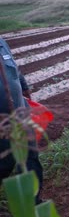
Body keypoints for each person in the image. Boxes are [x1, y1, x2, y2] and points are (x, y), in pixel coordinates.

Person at [0, 37, 43, 204]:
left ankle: (34, 201)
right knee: (6, 161)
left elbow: (14, 69)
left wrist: (24, 88)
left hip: (19, 111)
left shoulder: (2, 42)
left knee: (30, 155)